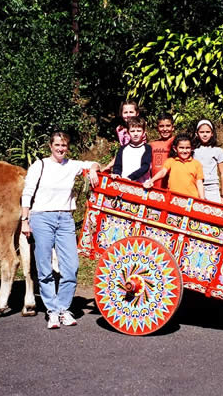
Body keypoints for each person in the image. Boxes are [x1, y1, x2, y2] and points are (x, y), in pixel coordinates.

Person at [20, 131, 100, 329]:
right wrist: (24, 220)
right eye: (57, 145)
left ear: (67, 147)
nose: (60, 149)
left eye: (64, 145)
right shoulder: (40, 165)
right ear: (50, 146)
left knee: (71, 267)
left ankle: (63, 308)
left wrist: (93, 170)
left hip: (65, 219)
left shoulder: (72, 165)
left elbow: (94, 163)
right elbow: (27, 193)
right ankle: (52, 311)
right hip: (41, 218)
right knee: (44, 267)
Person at [143, 132, 204, 199]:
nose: (184, 151)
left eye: (187, 148)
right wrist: (151, 181)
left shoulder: (196, 164)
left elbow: (199, 183)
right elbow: (163, 172)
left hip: (190, 200)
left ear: (192, 148)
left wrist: (202, 199)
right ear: (175, 149)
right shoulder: (171, 161)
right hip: (172, 199)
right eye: (181, 148)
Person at [101, 100, 146, 172]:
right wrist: (109, 166)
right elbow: (123, 151)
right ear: (121, 114)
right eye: (125, 112)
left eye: (131, 112)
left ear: (137, 113)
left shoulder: (140, 129)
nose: (128, 115)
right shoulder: (120, 130)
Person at [193, 119, 223, 203]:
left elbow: (222, 173)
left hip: (212, 188)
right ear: (196, 134)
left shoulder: (218, 151)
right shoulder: (193, 151)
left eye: (207, 132)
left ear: (212, 133)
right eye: (202, 132)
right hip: (196, 186)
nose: (205, 135)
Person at [110, 117, 152, 182]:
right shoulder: (122, 149)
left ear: (143, 132)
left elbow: (145, 166)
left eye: (139, 131)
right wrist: (117, 173)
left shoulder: (147, 148)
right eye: (132, 131)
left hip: (141, 185)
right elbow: (117, 166)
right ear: (128, 132)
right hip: (124, 183)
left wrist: (131, 177)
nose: (135, 134)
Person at [149, 112, 175, 189]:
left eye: (168, 126)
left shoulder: (177, 142)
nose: (165, 129)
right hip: (155, 186)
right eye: (161, 126)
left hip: (172, 187)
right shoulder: (152, 145)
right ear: (157, 128)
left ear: (173, 127)